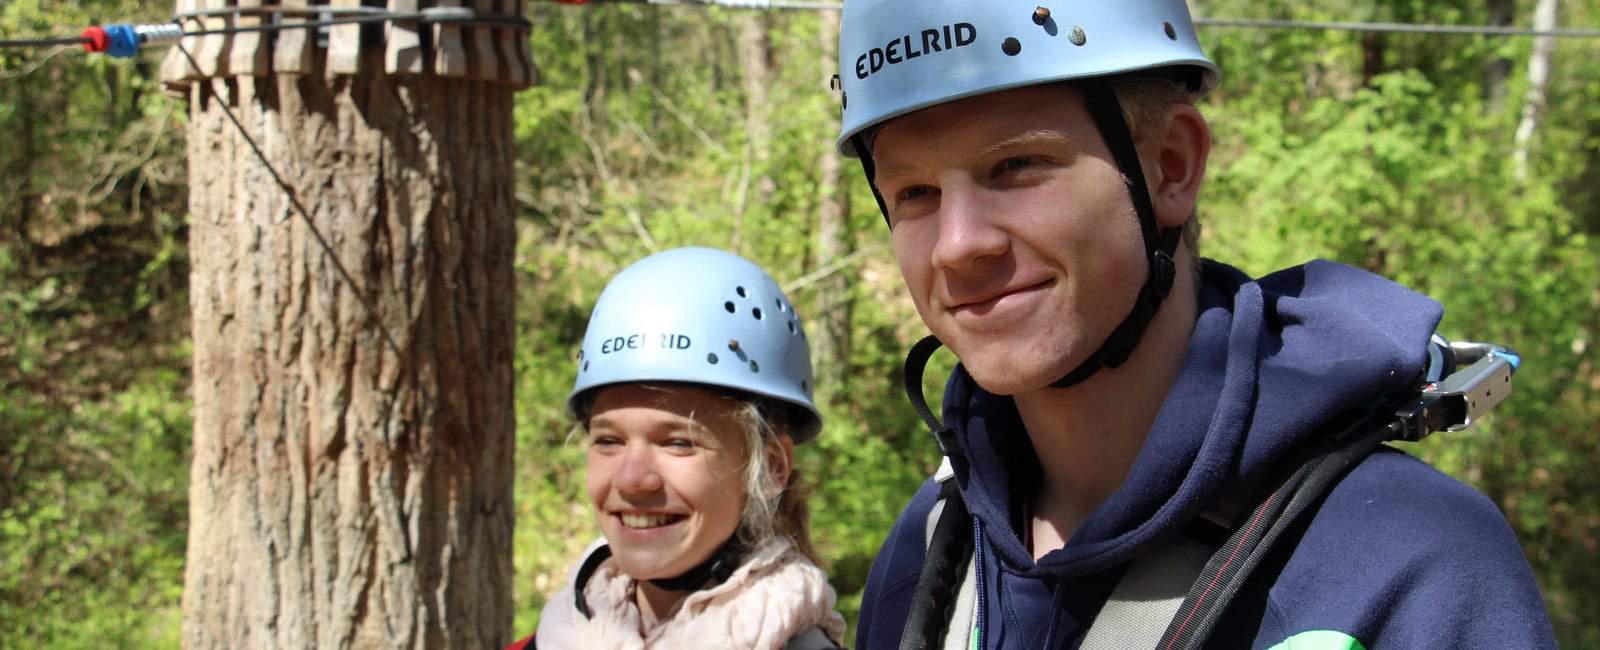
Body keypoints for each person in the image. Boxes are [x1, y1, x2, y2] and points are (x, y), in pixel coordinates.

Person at [832, 1, 1556, 648]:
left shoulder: (1409, 563)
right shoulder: (930, 556)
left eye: (1017, 164)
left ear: (1170, 167)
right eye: (915, 192)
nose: (958, 245)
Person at [511, 247, 847, 650]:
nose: (632, 480)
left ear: (772, 467)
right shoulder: (551, 638)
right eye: (608, 440)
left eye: (678, 443)